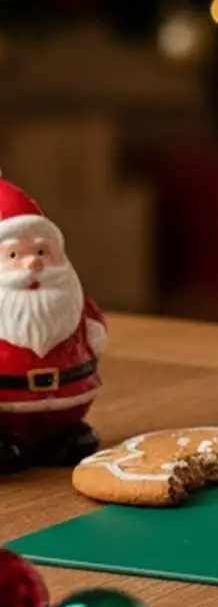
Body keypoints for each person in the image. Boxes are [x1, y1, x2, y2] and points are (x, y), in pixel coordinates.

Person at [0, 178, 107, 470]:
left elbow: (94, 324)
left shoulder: (69, 297)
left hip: (69, 396)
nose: (32, 264)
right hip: (7, 400)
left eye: (41, 252)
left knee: (68, 441)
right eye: (13, 255)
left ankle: (64, 435)